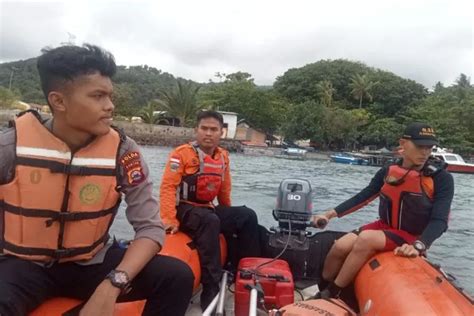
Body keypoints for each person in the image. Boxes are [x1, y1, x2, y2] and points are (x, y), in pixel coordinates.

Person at [0, 44, 194, 316]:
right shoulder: (10, 147)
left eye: (110, 96)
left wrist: (114, 283)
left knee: (175, 275)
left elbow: (150, 229)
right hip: (22, 266)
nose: (110, 106)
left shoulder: (124, 152)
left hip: (91, 263)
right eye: (98, 96)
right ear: (59, 101)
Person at [311, 122, 454, 298]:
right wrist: (329, 214)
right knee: (339, 247)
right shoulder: (388, 171)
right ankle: (324, 288)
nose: (425, 152)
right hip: (384, 226)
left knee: (366, 239)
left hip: (412, 235)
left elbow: (440, 221)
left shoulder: (441, 178)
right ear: (403, 143)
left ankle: (332, 294)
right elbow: (364, 197)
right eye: (420, 146)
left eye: (429, 147)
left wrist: (419, 245)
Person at [159, 110, 261, 311]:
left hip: (207, 209)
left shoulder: (223, 156)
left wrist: (230, 216)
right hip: (185, 209)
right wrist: (169, 219)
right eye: (204, 128)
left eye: (213, 129)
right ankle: (211, 286)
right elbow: (168, 188)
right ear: (196, 130)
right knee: (210, 221)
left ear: (221, 132)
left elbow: (224, 190)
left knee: (247, 216)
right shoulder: (181, 154)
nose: (208, 133)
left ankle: (247, 273)